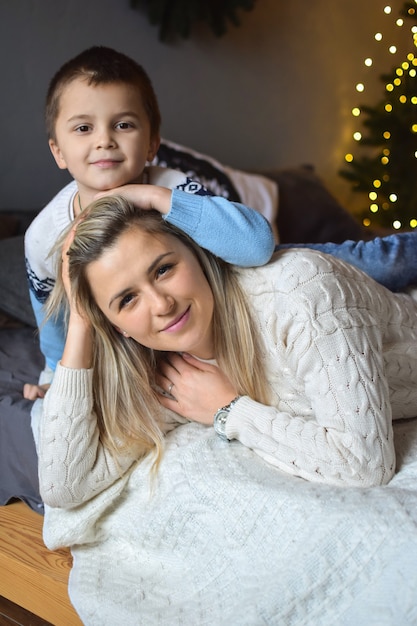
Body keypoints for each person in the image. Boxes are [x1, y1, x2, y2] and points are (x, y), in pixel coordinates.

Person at [34, 194, 417, 514]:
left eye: (164, 269)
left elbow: (365, 464)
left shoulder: (302, 293)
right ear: (116, 325)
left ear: (197, 253)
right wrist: (81, 322)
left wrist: (231, 411)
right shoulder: (170, 372)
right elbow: (64, 486)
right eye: (127, 299)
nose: (161, 304)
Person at [24, 45, 276, 399]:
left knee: (301, 259)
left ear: (152, 144)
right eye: (83, 128)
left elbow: (258, 246)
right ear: (58, 151)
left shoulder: (173, 188)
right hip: (137, 334)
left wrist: (155, 198)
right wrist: (54, 370)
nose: (104, 140)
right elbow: (51, 314)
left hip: (212, 314)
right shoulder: (43, 235)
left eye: (123, 124)